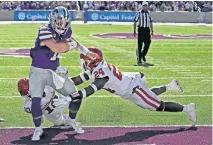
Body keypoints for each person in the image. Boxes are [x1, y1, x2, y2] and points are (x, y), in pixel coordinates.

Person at [54, 47, 197, 127]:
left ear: (92, 62)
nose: (82, 62)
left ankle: (187, 108)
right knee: (149, 98)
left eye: (84, 60)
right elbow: (78, 80)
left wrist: (69, 97)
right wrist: (59, 81)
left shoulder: (101, 73)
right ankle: (168, 86)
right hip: (130, 83)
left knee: (156, 106)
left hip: (133, 88)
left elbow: (90, 90)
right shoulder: (95, 69)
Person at [29, 6, 97, 141]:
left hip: (55, 70)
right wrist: (70, 45)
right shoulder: (44, 30)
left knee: (76, 96)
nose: (62, 24)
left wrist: (85, 51)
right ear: (53, 20)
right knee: (35, 101)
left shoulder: (66, 31)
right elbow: (57, 47)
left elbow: (72, 39)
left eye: (65, 22)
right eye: (59, 21)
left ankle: (71, 120)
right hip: (39, 70)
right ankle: (38, 129)